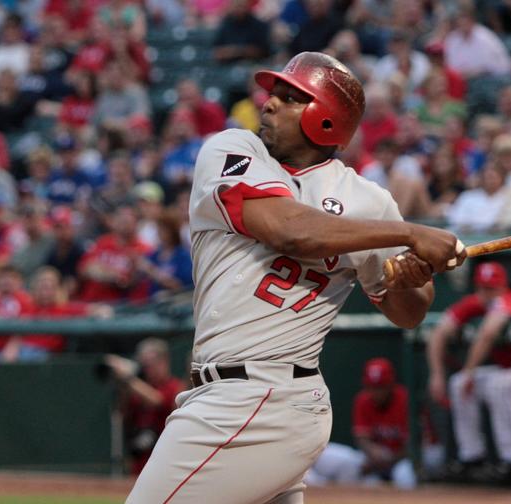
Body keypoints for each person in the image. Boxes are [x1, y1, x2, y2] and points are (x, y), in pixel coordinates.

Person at [125, 52, 464, 503]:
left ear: (326, 119)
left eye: (290, 97)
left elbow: (409, 312)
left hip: (265, 400)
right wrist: (409, 233)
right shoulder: (231, 150)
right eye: (274, 94)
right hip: (229, 397)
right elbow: (291, 231)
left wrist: (407, 280)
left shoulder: (368, 202)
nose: (269, 104)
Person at [425, 262, 511, 477]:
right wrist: (436, 374)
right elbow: (438, 333)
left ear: (503, 287)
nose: (487, 293)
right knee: (457, 383)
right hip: (505, 371)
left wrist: (469, 372)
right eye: (483, 288)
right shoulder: (476, 302)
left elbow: (488, 333)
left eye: (492, 288)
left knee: (493, 385)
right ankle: (472, 457)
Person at [305, 358, 416, 489]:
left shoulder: (405, 399)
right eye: (372, 387)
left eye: (380, 387)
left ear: (390, 384)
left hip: (399, 460)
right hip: (372, 460)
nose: (376, 393)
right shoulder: (363, 400)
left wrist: (390, 459)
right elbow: (362, 438)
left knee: (405, 475)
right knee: (352, 468)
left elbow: (413, 445)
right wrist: (372, 453)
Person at [104, 338, 185, 475]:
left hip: (166, 461)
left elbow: (157, 400)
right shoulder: (136, 388)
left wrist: (127, 378)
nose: (147, 369)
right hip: (139, 459)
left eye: (150, 364)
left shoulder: (174, 386)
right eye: (144, 365)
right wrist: (121, 385)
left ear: (163, 361)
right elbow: (121, 414)